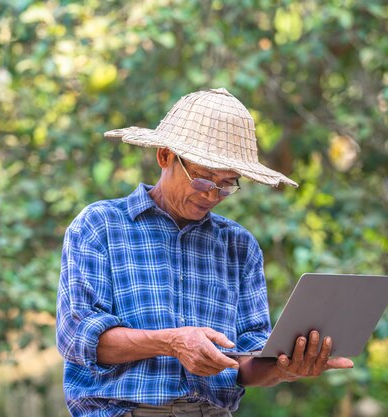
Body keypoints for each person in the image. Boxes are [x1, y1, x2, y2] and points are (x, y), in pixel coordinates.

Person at [56, 88, 354, 417]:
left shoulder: (238, 246)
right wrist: (171, 342)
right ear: (165, 156)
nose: (213, 194)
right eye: (203, 179)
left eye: (227, 183)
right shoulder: (101, 226)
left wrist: (284, 368)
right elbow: (76, 338)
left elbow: (245, 359)